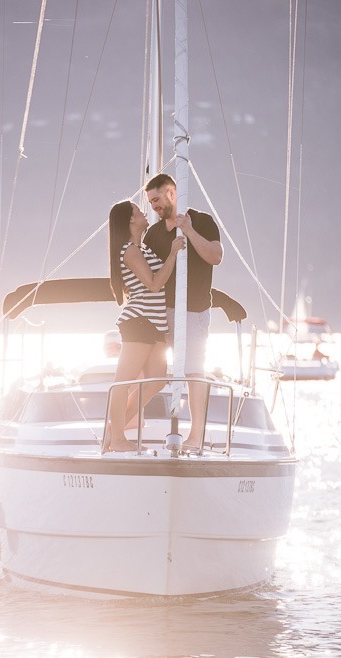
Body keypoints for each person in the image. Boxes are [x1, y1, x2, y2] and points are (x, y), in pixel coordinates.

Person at [144, 173, 223, 450]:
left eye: (156, 199)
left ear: (171, 193)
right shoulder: (153, 234)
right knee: (154, 367)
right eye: (150, 202)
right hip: (161, 311)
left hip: (193, 310)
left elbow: (216, 256)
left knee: (193, 371)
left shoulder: (202, 221)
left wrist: (188, 231)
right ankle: (134, 422)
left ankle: (196, 434)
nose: (153, 206)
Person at [105, 199, 185, 452]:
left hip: (155, 323)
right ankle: (117, 438)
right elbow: (153, 284)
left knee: (156, 381)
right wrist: (173, 253)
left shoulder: (142, 249)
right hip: (139, 321)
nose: (144, 214)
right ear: (130, 220)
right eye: (139, 212)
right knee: (123, 382)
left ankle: (112, 431)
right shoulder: (129, 250)